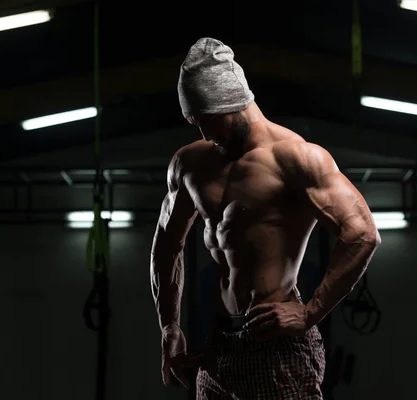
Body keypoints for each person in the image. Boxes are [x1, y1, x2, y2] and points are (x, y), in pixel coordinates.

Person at [150, 37, 381, 399]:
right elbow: (166, 246)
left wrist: (309, 314)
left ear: (234, 102)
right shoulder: (190, 164)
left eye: (210, 120)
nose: (206, 134)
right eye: (195, 122)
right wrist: (169, 326)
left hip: (277, 348)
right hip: (218, 345)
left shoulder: (297, 159)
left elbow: (363, 233)